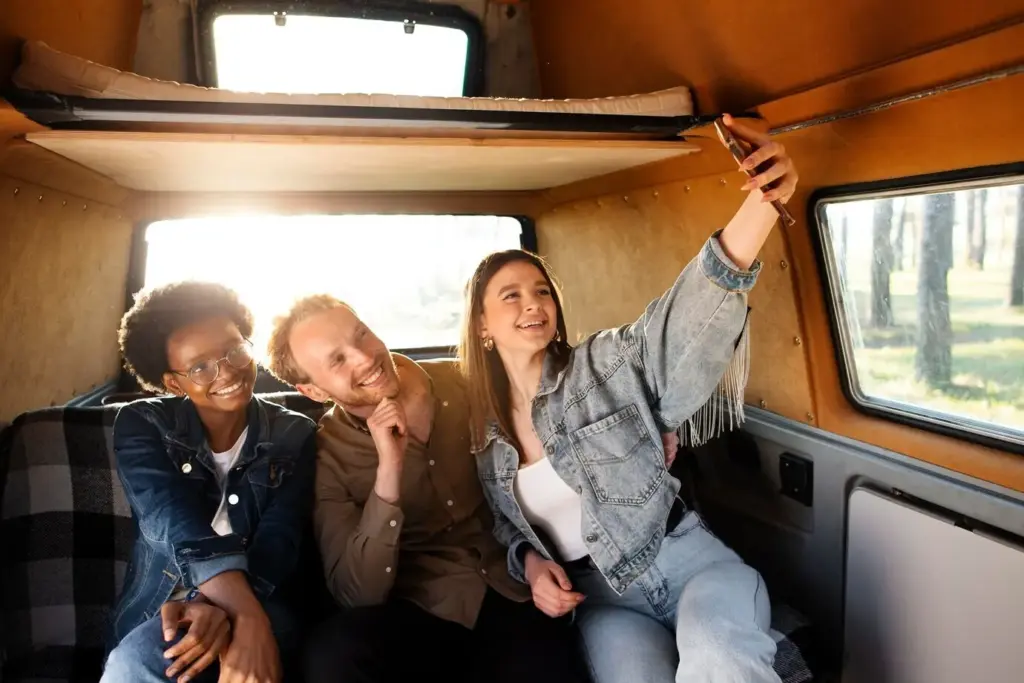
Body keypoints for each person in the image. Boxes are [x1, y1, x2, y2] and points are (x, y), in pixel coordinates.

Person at [458, 114, 799, 683]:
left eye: (542, 291)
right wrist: (531, 566)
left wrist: (764, 201)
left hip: (690, 564)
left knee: (716, 655)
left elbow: (681, 324)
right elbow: (504, 526)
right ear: (482, 326)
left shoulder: (601, 364)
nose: (533, 303)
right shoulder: (483, 436)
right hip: (604, 601)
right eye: (510, 296)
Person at [263, 296, 589, 683]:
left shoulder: (468, 381)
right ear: (314, 391)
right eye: (337, 360)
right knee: (332, 655)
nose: (364, 358)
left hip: (514, 584)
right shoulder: (327, 455)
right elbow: (356, 594)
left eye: (361, 335)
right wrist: (389, 470)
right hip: (422, 610)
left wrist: (532, 557)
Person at [101, 281, 317, 683]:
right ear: (173, 383)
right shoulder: (143, 423)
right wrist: (241, 614)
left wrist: (236, 611)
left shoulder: (295, 433)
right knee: (138, 663)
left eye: (235, 350)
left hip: (264, 594)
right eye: (200, 367)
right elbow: (172, 520)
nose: (228, 371)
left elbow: (280, 539)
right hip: (164, 606)